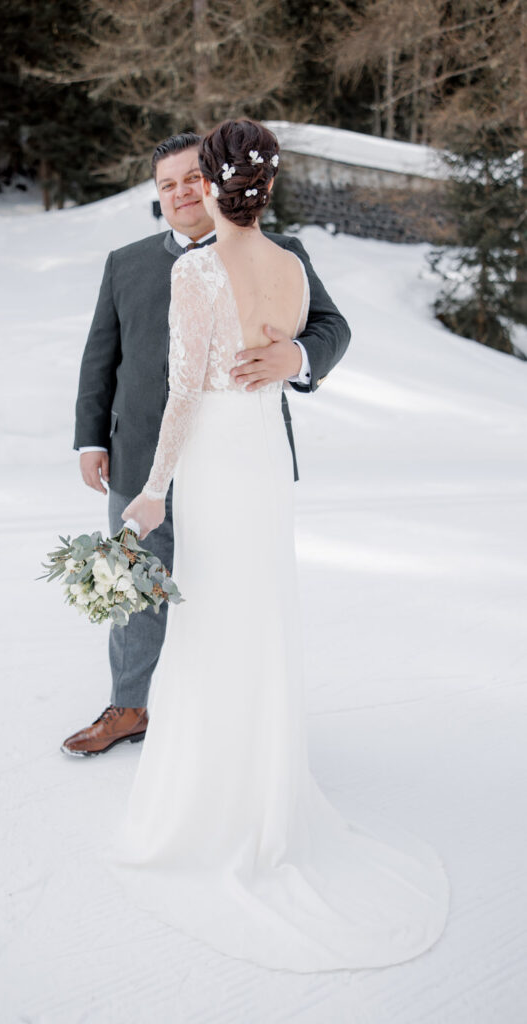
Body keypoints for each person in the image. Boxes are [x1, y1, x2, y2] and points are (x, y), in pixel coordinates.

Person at [105, 118, 450, 973]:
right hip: (256, 462)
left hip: (216, 455)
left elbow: (185, 393)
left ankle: (210, 799)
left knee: (209, 618)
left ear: (214, 182)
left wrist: (151, 490)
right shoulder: (286, 263)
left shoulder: (196, 270)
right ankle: (264, 787)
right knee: (255, 611)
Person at [63, 129, 351, 756]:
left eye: (189, 179)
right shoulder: (128, 262)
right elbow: (100, 358)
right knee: (136, 585)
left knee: (229, 588)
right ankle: (129, 706)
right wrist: (91, 439)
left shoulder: (283, 251)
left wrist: (294, 357)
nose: (178, 193)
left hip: (235, 457)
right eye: (165, 185)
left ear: (214, 180)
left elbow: (334, 328)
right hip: (143, 455)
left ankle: (225, 721)